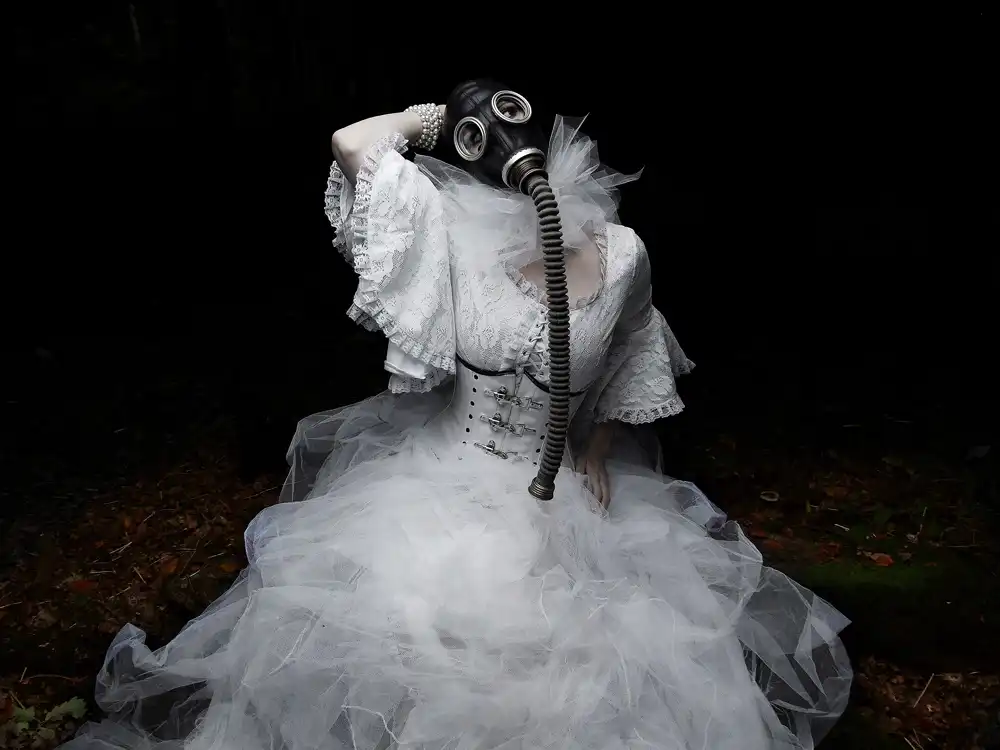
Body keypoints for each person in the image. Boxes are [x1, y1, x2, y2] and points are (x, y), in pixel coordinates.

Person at [63, 81, 852, 749]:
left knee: (582, 665)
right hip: (440, 482)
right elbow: (351, 143)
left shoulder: (622, 254)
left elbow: (636, 341)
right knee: (416, 628)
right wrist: (440, 120)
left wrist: (600, 444)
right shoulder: (450, 232)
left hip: (560, 499)